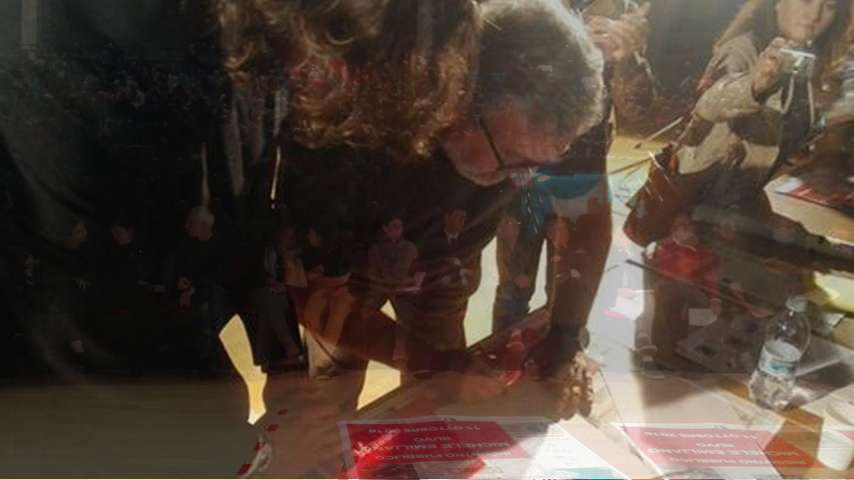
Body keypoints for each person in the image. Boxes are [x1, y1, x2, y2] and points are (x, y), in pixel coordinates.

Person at [631, 0, 852, 353]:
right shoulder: (745, 48)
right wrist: (755, 84)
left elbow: (797, 142)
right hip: (691, 215)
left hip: (737, 209)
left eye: (827, 7)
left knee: (799, 275)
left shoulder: (809, 65)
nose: (813, 14)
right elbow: (710, 102)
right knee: (694, 343)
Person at [491, 0, 655, 333]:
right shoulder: (534, 8)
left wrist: (629, 60)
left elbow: (639, 110)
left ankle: (559, 351)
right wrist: (570, 50)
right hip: (525, 176)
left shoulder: (626, 14)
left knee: (569, 292)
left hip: (583, 182)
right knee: (513, 291)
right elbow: (499, 85)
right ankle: (503, 356)